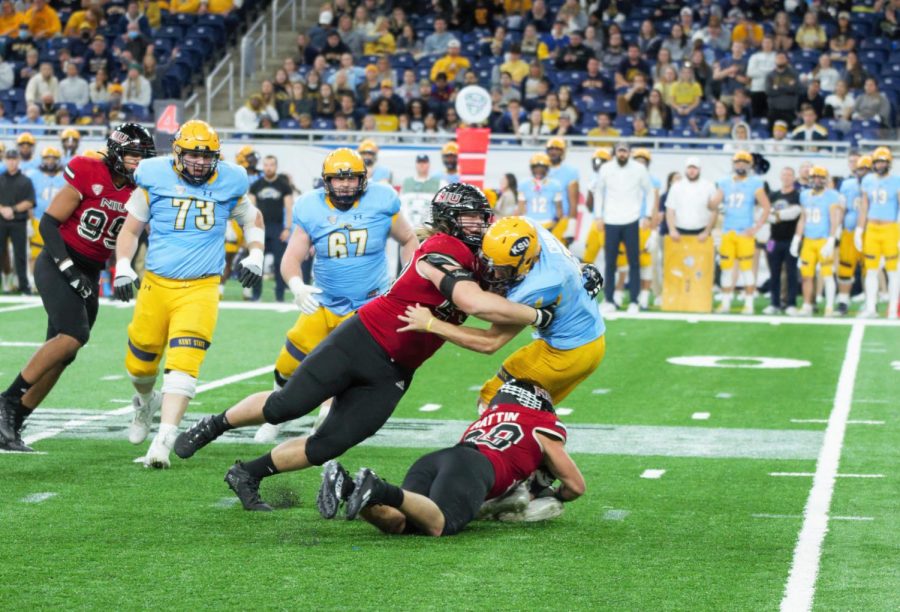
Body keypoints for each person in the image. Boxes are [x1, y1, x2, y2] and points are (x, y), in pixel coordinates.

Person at [172, 184, 558, 510]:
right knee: (284, 406)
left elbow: (500, 317)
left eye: (483, 217)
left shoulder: (481, 261)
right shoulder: (442, 246)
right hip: (362, 339)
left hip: (395, 372)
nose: (481, 225)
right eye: (473, 217)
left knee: (329, 444)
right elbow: (474, 303)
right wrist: (537, 314)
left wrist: (563, 284)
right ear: (450, 219)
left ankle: (247, 473)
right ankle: (214, 424)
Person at [113, 120, 266, 468]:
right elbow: (131, 228)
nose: (199, 162)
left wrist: (255, 252)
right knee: (139, 365)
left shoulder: (230, 180)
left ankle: (163, 441)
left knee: (184, 363)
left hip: (202, 287)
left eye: (206, 156)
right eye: (193, 155)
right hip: (156, 284)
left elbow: (252, 220)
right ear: (177, 153)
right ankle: (144, 403)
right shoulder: (154, 177)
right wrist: (123, 264)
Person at [0, 124, 155, 452]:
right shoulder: (88, 170)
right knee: (73, 334)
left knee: (63, 353)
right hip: (58, 260)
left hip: (91, 270)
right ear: (115, 151)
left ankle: (14, 422)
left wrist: (122, 270)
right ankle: (7, 401)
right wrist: (69, 269)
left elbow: (131, 236)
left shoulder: (141, 190)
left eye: (142, 157)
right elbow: (48, 223)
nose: (137, 164)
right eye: (132, 156)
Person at [252, 148, 417, 444]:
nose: (344, 185)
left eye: (351, 179)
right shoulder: (310, 207)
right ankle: (274, 414)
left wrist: (407, 278)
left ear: (363, 180)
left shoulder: (382, 200)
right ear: (325, 181)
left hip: (367, 307)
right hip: (324, 301)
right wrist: (297, 285)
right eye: (337, 179)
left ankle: (325, 421)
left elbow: (408, 239)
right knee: (287, 366)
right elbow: (292, 257)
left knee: (337, 368)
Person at [317, 379, 585, 535]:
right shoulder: (543, 425)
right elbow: (575, 486)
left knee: (401, 524)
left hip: (440, 459)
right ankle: (377, 487)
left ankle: (349, 485)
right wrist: (557, 496)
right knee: (439, 525)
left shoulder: (488, 418)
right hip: (474, 468)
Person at [399, 215, 606, 411]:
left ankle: (505, 447)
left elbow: (490, 342)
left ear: (525, 263)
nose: (495, 273)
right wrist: (581, 266)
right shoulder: (527, 228)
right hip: (584, 341)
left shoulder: (536, 288)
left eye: (503, 270)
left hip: (567, 353)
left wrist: (431, 324)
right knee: (532, 409)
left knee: (494, 401)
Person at [591, 142, 653, 313]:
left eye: (625, 151)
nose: (622, 154)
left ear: (630, 153)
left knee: (634, 262)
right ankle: (609, 300)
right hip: (610, 220)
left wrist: (647, 215)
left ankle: (634, 300)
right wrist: (598, 216)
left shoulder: (639, 169)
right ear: (615, 153)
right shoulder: (606, 169)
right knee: (610, 263)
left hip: (632, 220)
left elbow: (650, 191)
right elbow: (599, 192)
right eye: (620, 151)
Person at [714, 150, 771, 314]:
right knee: (726, 269)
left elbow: (766, 207)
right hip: (728, 231)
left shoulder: (755, 182)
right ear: (733, 164)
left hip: (745, 232)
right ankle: (725, 303)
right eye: (738, 162)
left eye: (744, 162)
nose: (740, 165)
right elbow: (715, 203)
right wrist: (710, 203)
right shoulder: (724, 182)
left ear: (749, 164)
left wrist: (756, 227)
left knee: (746, 269)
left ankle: (749, 303)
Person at [790, 166, 841, 317]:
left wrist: (831, 240)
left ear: (825, 179)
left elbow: (834, 219)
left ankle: (830, 307)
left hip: (823, 239)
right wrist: (797, 238)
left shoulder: (832, 195)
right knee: (806, 275)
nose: (817, 180)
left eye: (820, 177)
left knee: (827, 275)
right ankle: (807, 305)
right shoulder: (804, 195)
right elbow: (803, 218)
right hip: (809, 241)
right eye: (814, 177)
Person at [857, 147, 900, 319]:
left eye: (882, 161)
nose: (879, 164)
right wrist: (860, 229)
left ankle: (892, 308)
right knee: (871, 270)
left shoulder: (896, 180)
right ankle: (870, 307)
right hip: (872, 228)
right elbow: (864, 206)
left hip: (890, 228)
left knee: (893, 271)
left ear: (889, 163)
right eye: (877, 161)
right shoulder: (867, 180)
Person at [248, 155, 293, 303]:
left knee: (280, 263)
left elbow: (289, 208)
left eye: (271, 165)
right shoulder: (255, 186)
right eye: (266, 165)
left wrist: (287, 228)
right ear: (263, 166)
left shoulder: (283, 185)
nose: (268, 168)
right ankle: (256, 295)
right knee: (256, 261)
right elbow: (251, 209)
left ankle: (279, 296)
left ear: (276, 166)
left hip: (277, 228)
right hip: (260, 228)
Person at [763, 166, 802, 315]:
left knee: (791, 272)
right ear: (780, 177)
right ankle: (774, 303)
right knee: (774, 272)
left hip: (791, 240)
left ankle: (791, 303)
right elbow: (766, 215)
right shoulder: (773, 195)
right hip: (773, 239)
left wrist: (777, 215)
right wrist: (779, 215)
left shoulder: (797, 195)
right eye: (784, 175)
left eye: (789, 175)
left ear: (793, 178)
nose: (786, 178)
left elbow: (795, 213)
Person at [836, 155, 870, 316]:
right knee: (845, 267)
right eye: (860, 169)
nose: (862, 172)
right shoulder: (847, 184)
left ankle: (870, 302)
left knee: (869, 269)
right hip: (849, 231)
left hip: (869, 232)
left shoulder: (875, 185)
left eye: (865, 169)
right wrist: (836, 228)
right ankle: (843, 301)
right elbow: (841, 208)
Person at [25, 146, 66, 275]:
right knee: (35, 252)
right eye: (47, 158)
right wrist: (28, 220)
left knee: (59, 254)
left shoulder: (65, 176)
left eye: (53, 158)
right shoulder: (32, 175)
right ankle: (33, 282)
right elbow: (28, 199)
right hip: (37, 219)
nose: (50, 161)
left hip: (58, 221)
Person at [0, 149, 35, 296]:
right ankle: (4, 286)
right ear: (5, 160)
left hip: (19, 222)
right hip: (1, 220)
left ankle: (24, 286)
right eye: (9, 159)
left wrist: (12, 209)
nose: (11, 162)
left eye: (14, 159)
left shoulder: (26, 181)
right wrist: (2, 210)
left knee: (20, 255)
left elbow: (30, 202)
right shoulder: (0, 178)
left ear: (18, 160)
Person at [664, 156, 718, 241]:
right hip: (679, 232)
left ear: (699, 170)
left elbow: (714, 211)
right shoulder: (676, 186)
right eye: (689, 168)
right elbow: (670, 210)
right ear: (686, 169)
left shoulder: (709, 186)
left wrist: (707, 232)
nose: (692, 171)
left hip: (702, 233)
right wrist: (672, 230)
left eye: (695, 168)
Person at [517, 153, 564, 231]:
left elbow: (559, 210)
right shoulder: (524, 185)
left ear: (547, 168)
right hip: (529, 224)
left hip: (548, 222)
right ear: (531, 168)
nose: (539, 171)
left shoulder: (555, 185)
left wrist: (552, 226)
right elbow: (521, 209)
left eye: (542, 168)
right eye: (536, 168)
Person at [545, 137, 578, 245]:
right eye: (551, 148)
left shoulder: (570, 171)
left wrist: (571, 228)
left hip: (561, 220)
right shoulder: (539, 168)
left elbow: (573, 202)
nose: (553, 151)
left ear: (563, 152)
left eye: (557, 149)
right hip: (542, 219)